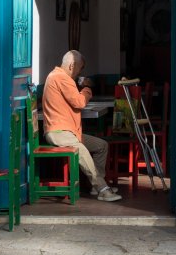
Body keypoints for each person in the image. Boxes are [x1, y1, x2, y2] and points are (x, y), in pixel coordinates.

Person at [42, 50, 122, 202]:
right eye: (80, 68)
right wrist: (86, 88)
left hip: (69, 132)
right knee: (82, 151)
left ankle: (96, 186)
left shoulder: (58, 76)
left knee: (101, 146)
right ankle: (102, 189)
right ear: (72, 65)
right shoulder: (61, 77)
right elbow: (79, 102)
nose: (80, 72)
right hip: (59, 132)